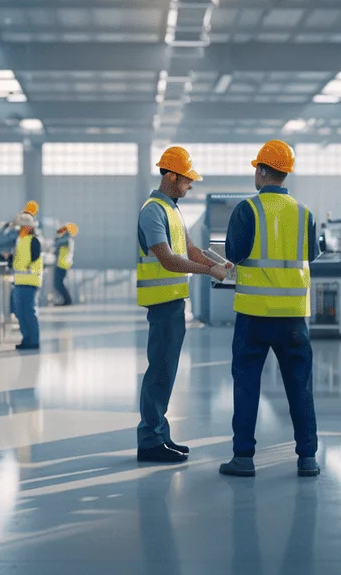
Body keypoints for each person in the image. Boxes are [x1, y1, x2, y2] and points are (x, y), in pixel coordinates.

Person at [219, 140, 322, 479]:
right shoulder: (305, 213)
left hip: (254, 315)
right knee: (300, 387)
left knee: (247, 385)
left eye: (255, 168)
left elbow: (233, 254)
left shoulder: (246, 210)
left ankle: (243, 458)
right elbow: (313, 255)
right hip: (293, 317)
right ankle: (307, 458)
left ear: (262, 171)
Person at [137, 146, 230, 464]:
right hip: (161, 303)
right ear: (172, 175)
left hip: (174, 303)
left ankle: (160, 434)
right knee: (159, 371)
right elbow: (167, 259)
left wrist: (218, 262)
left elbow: (189, 250)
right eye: (187, 180)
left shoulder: (173, 210)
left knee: (167, 371)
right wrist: (208, 271)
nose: (190, 186)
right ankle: (149, 440)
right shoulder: (153, 211)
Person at [10, 212, 43, 351]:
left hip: (29, 282)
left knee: (28, 312)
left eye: (22, 227)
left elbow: (34, 260)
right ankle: (26, 338)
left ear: (29, 227)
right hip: (20, 281)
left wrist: (27, 269)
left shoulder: (33, 241)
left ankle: (33, 340)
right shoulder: (21, 241)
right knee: (20, 312)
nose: (19, 230)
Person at [53, 223, 78, 306]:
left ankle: (67, 300)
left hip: (62, 264)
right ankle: (66, 300)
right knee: (59, 283)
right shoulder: (67, 239)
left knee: (58, 283)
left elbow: (57, 244)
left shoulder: (65, 239)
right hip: (63, 263)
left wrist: (57, 237)